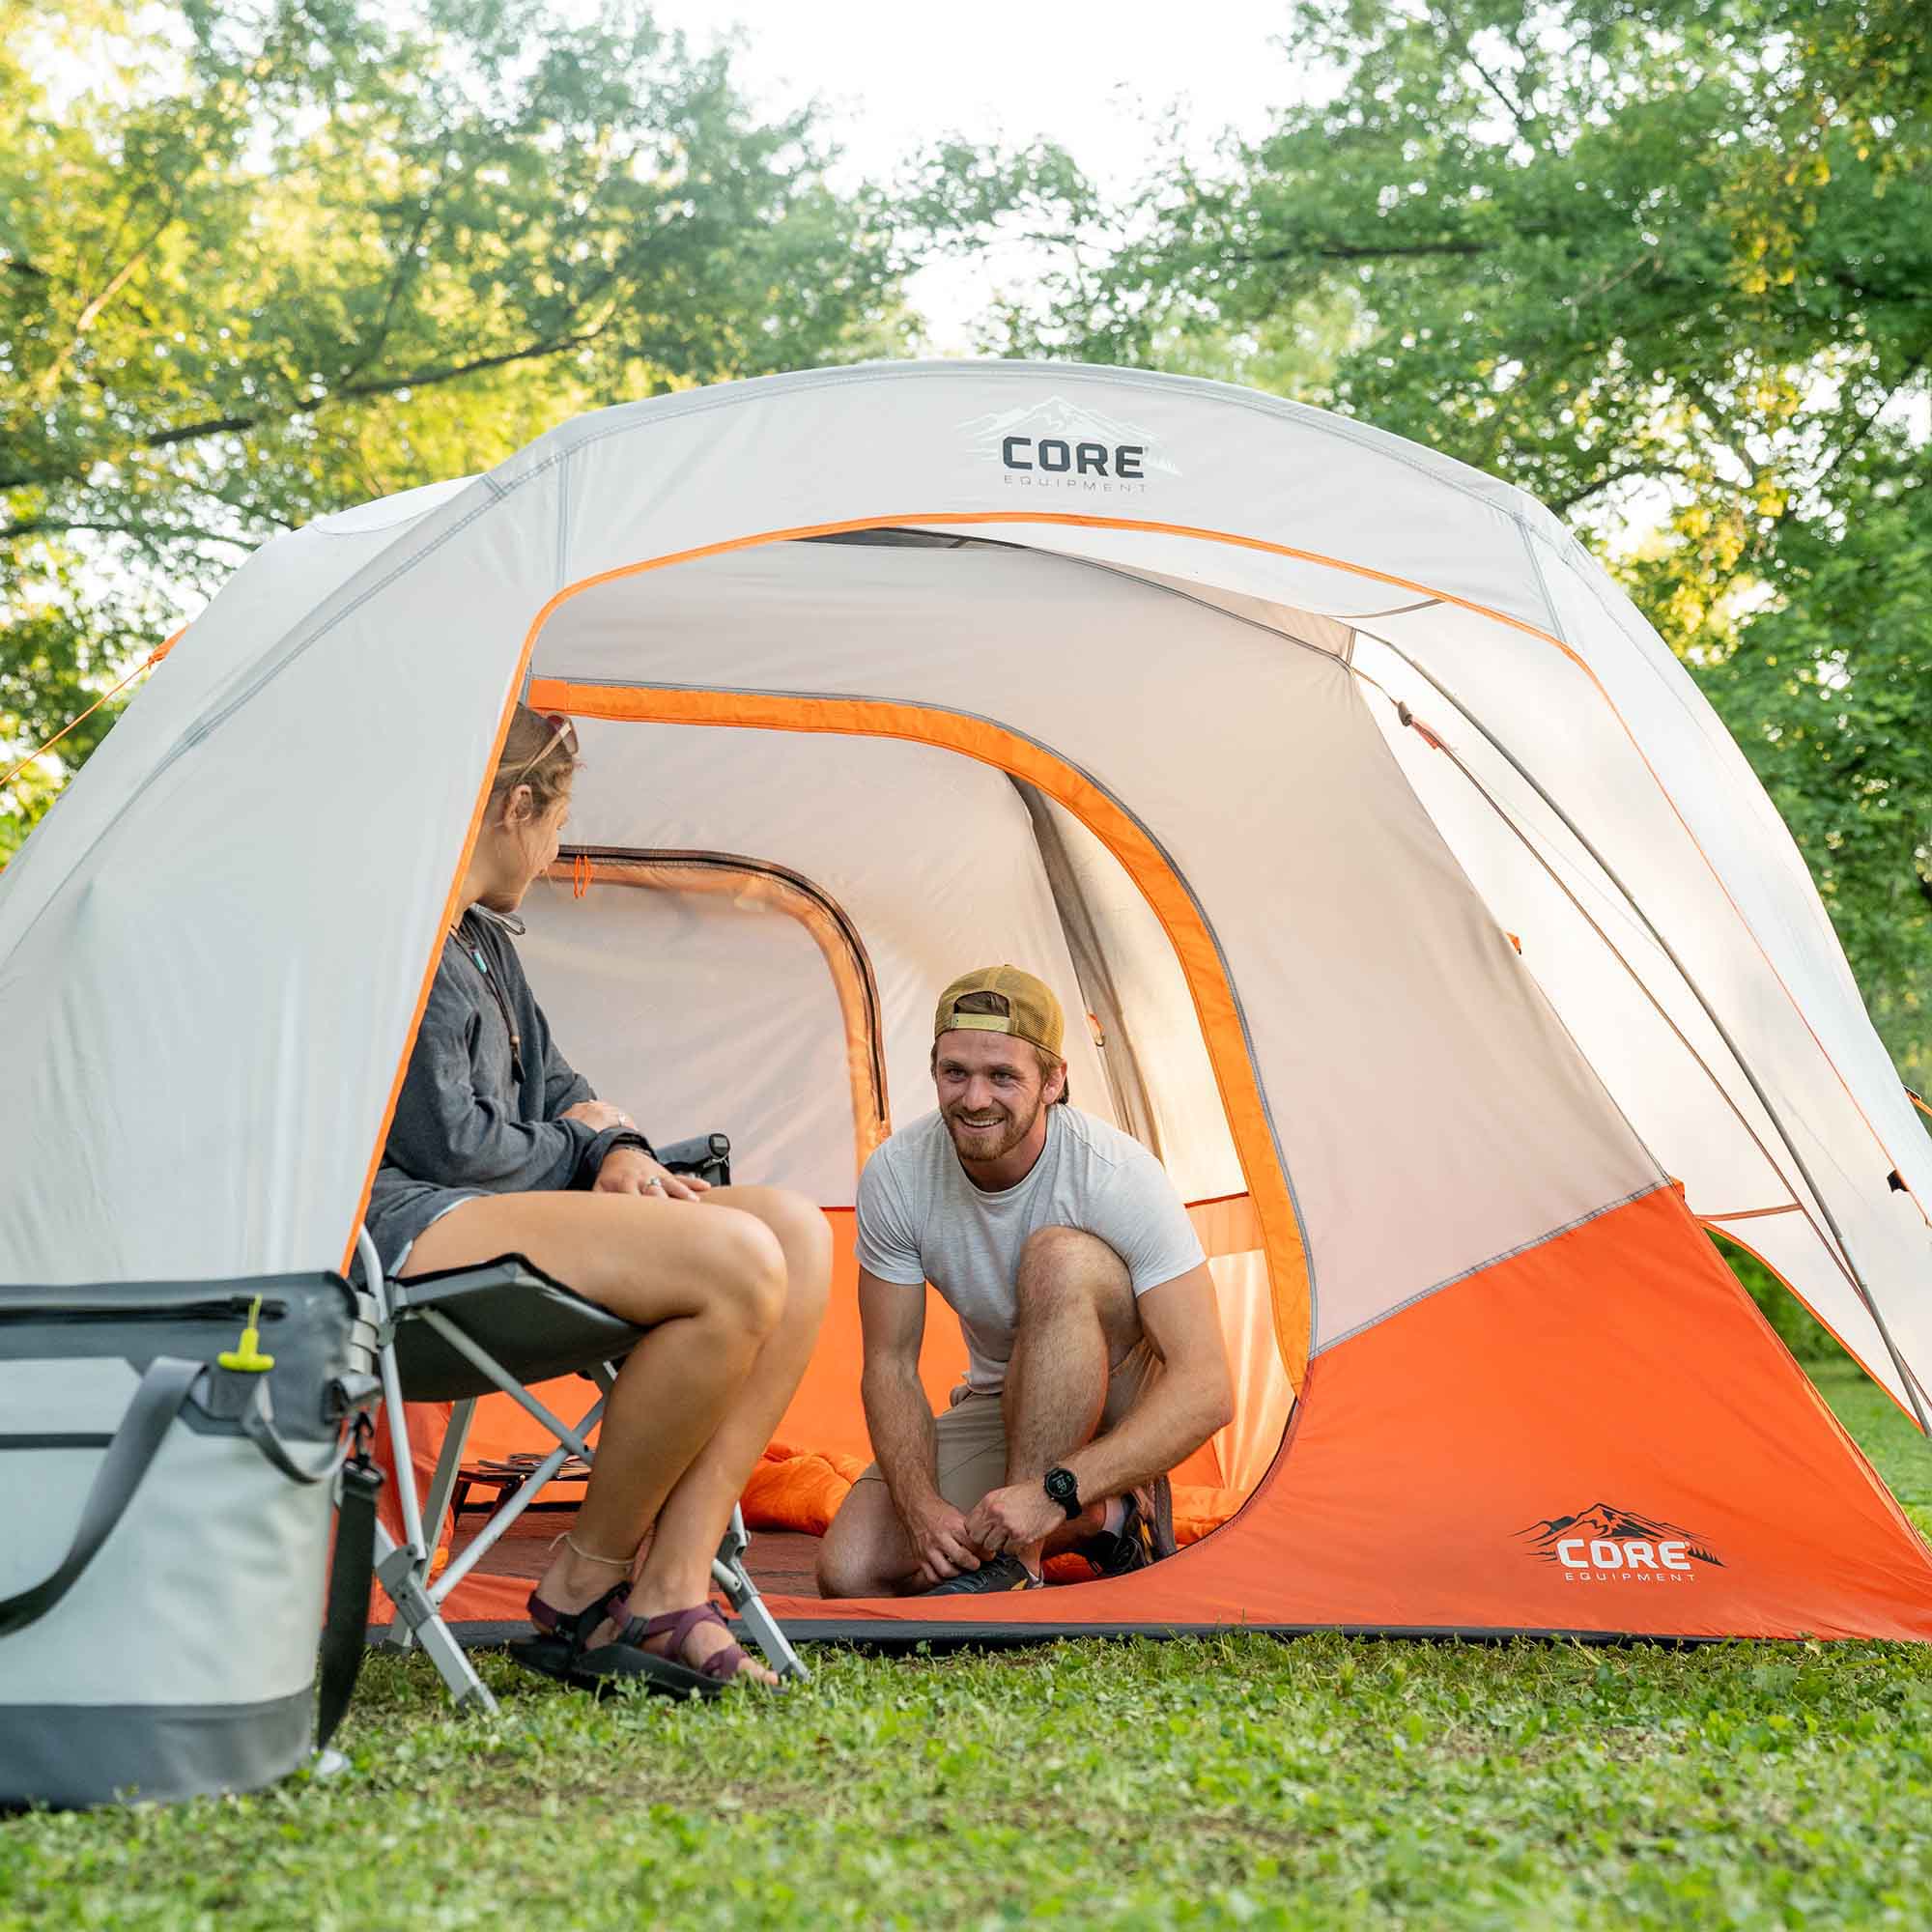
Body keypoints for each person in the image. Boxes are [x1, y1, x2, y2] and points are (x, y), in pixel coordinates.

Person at [368, 705, 831, 1690]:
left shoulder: (486, 944)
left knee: (791, 1230)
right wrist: (590, 1146)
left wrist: (615, 1144)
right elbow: (451, 1145)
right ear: (520, 803)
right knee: (737, 1258)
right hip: (403, 1248)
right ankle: (586, 1579)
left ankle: (671, 1584)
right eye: (557, 816)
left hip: (497, 1224)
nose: (558, 843)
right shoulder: (400, 938)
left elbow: (562, 1087)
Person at [816, 965, 1234, 1597]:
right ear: (934, 1071)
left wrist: (1055, 1490)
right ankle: (1108, 1520)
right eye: (956, 1072)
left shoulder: (1116, 1174)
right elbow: (891, 1365)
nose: (975, 1099)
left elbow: (1208, 1388)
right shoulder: (898, 1175)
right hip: (1005, 1402)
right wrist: (921, 1510)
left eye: (1002, 1076)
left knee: (1057, 1258)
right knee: (851, 1572)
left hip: (1119, 1413)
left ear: (1053, 1081)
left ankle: (1026, 1558)